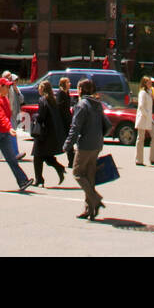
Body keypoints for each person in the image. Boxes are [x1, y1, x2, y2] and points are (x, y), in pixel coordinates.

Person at [63, 77, 110, 220]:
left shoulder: (81, 105)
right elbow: (107, 125)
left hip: (85, 145)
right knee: (89, 176)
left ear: (80, 90)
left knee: (77, 173)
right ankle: (90, 209)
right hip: (97, 144)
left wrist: (67, 144)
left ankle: (95, 199)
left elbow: (75, 127)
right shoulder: (97, 104)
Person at [32, 80, 66, 186]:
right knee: (45, 156)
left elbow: (41, 116)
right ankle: (59, 168)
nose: (38, 89)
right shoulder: (52, 100)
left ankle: (39, 179)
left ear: (42, 89)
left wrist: (34, 117)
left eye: (39, 87)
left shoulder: (42, 100)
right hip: (51, 133)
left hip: (43, 133)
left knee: (37, 156)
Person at [135, 75, 154, 167]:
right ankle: (139, 160)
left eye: (150, 82)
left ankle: (153, 159)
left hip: (149, 118)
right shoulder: (142, 93)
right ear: (144, 83)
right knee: (140, 139)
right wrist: (147, 115)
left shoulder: (150, 92)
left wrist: (150, 116)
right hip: (143, 117)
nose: (150, 83)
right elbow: (141, 106)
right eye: (148, 82)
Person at [57, 76, 75, 167]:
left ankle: (72, 160)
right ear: (64, 84)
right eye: (68, 82)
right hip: (63, 121)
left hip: (68, 120)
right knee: (67, 140)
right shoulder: (60, 93)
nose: (70, 84)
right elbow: (60, 108)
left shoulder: (67, 93)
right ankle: (71, 160)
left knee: (69, 141)